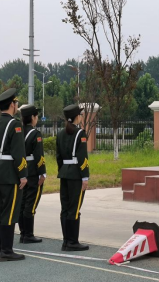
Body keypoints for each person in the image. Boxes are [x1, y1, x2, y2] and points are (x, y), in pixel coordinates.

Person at [0, 88, 27, 261]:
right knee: (10, 212)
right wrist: (23, 174)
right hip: (9, 173)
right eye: (16, 103)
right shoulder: (15, 124)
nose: (16, 105)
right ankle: (6, 251)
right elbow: (18, 153)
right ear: (12, 105)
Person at [57, 104, 90, 251]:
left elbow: (58, 157)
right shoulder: (80, 134)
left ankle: (66, 241)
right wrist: (85, 177)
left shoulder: (60, 134)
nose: (81, 116)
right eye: (80, 114)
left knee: (65, 207)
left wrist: (63, 170)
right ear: (77, 116)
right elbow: (83, 158)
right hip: (76, 174)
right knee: (74, 208)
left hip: (64, 172)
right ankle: (72, 242)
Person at [18, 104, 46, 244]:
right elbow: (39, 156)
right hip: (33, 172)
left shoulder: (18, 132)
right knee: (31, 203)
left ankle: (23, 233)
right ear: (33, 118)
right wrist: (42, 173)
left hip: (21, 170)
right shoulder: (35, 134)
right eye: (36, 116)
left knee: (22, 203)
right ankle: (28, 234)